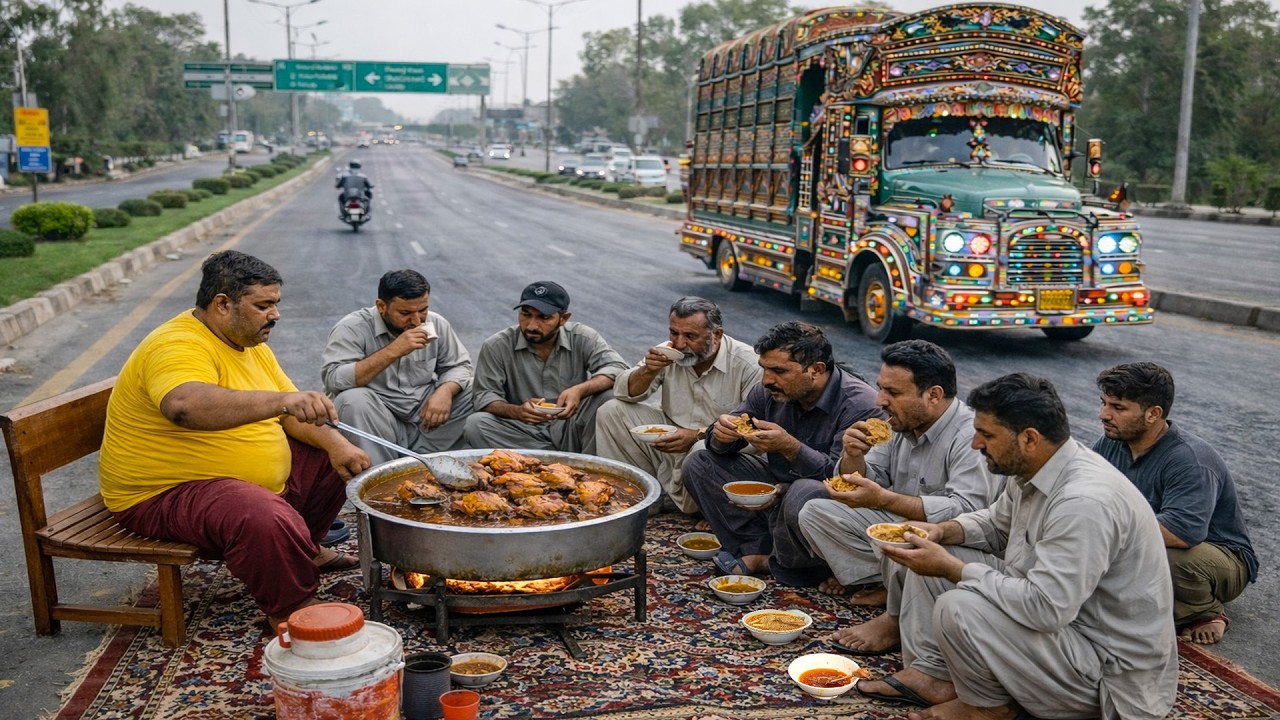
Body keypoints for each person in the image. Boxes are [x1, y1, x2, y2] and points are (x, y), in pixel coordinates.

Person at [854, 373, 1176, 720]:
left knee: (959, 604)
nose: (976, 444)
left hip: (1106, 671)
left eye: (987, 435)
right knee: (923, 556)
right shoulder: (1039, 465)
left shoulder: (1084, 501)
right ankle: (936, 677)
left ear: (1028, 438)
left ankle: (989, 708)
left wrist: (954, 569)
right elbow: (996, 525)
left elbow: (1046, 608)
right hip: (1065, 633)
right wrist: (940, 532)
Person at [98, 251, 371, 630]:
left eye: (275, 304)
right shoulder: (176, 344)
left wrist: (336, 443)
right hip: (161, 493)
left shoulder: (250, 343)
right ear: (223, 304)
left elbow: (293, 417)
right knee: (257, 512)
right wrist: (282, 401)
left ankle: (304, 549)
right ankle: (292, 608)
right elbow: (183, 405)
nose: (275, 315)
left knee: (335, 457)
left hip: (227, 484)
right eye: (264, 305)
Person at [797, 340, 1003, 653]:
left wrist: (882, 500)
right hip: (900, 527)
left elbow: (967, 512)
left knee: (916, 536)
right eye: (881, 388)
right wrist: (853, 456)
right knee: (815, 512)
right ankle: (886, 585)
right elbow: (865, 482)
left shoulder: (968, 435)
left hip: (949, 540)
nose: (880, 400)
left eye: (893, 393)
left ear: (933, 395)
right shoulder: (898, 425)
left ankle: (896, 615)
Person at [682, 321, 883, 586]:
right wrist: (720, 435)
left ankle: (798, 566)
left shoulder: (860, 405)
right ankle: (755, 547)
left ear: (816, 370)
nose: (766, 380)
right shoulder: (766, 391)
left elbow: (846, 483)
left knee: (803, 491)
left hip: (823, 503)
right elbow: (724, 440)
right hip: (776, 490)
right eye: (764, 369)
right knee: (699, 462)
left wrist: (790, 448)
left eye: (778, 371)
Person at [1093, 362, 1256, 645]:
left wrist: (1101, 534)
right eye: (1104, 403)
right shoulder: (1111, 442)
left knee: (1159, 557)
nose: (1104, 415)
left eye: (1118, 408)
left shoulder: (1190, 459)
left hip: (1215, 557)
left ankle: (1205, 611)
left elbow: (1182, 534)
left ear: (1153, 414)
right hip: (1145, 540)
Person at [595, 297, 762, 515]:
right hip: (673, 442)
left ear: (717, 335)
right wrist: (648, 370)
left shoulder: (747, 363)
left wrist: (697, 435)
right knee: (612, 411)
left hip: (719, 452)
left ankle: (715, 513)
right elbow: (625, 393)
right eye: (674, 333)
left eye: (690, 336)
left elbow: (754, 433)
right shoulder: (669, 352)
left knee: (702, 449)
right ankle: (638, 502)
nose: (680, 343)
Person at [321, 269, 473, 464]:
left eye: (423, 310)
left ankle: (438, 464)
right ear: (381, 306)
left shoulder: (436, 323)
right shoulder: (352, 328)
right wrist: (393, 350)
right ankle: (380, 474)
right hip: (379, 421)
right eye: (405, 313)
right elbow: (334, 379)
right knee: (352, 400)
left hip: (425, 419)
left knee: (474, 388)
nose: (417, 321)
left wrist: (445, 391)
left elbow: (459, 365)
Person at [464, 281, 628, 454]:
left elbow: (617, 368)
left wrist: (579, 390)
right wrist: (517, 411)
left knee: (608, 398)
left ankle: (586, 464)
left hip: (571, 427)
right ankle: (555, 460)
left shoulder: (582, 337)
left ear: (563, 319)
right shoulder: (497, 345)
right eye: (525, 315)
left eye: (544, 317)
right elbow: (484, 395)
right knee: (476, 424)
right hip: (524, 430)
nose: (531, 325)